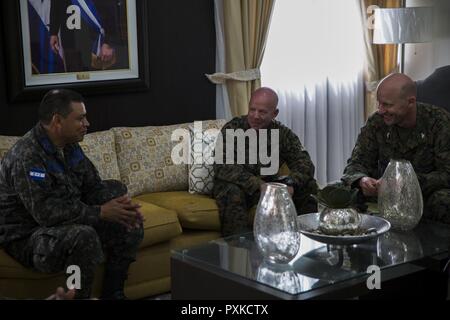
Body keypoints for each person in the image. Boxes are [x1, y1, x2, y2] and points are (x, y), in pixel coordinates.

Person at [0, 89, 144, 299]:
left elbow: (92, 187)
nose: (87, 124)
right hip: (28, 237)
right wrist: (100, 212)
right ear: (57, 121)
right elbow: (46, 214)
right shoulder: (27, 157)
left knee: (128, 223)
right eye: (80, 118)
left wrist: (122, 208)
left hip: (64, 222)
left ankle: (114, 293)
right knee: (83, 237)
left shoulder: (71, 146)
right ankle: (78, 297)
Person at [342, 73, 450, 224]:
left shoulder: (439, 122)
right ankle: (356, 241)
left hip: (425, 194)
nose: (380, 110)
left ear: (410, 102)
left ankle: (437, 246)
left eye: (387, 105)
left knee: (444, 200)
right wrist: (362, 179)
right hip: (384, 193)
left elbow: (446, 173)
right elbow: (355, 163)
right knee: (339, 190)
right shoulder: (377, 122)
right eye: (379, 103)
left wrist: (406, 183)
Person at [213, 87, 318, 236]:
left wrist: (290, 184)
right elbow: (223, 166)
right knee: (232, 192)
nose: (255, 116)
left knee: (308, 187)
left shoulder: (282, 133)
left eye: (262, 112)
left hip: (268, 187)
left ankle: (302, 241)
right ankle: (236, 249)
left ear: (274, 113)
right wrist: (260, 186)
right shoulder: (233, 128)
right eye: (252, 110)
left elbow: (305, 163)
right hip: (238, 185)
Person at [49, 0, 123, 72]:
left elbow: (110, 6)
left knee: (98, 80)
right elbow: (55, 4)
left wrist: (108, 41)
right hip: (70, 38)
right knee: (74, 78)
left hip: (95, 38)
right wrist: (53, 32)